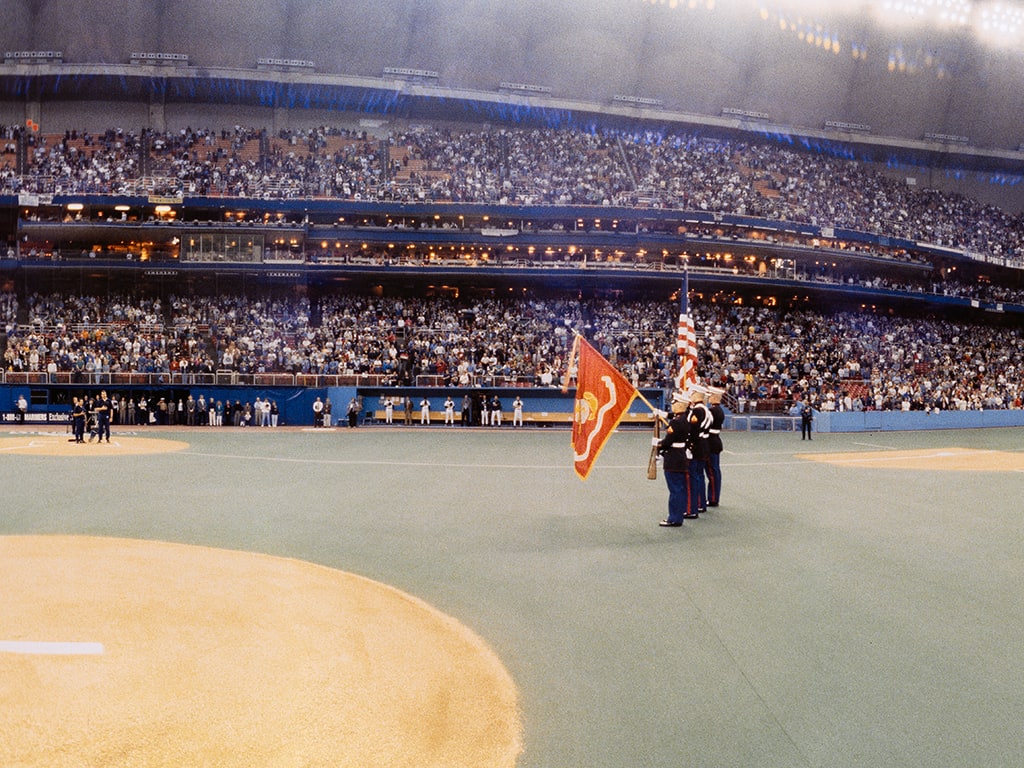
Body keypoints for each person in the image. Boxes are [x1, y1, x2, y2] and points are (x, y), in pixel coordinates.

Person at [657, 390, 695, 526]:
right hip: (681, 456)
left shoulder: (676, 422)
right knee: (680, 488)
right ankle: (679, 515)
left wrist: (658, 445)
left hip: (673, 458)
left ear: (679, 405)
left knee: (675, 490)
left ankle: (674, 518)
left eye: (674, 402)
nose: (672, 405)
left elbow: (668, 440)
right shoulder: (684, 419)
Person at [686, 385, 713, 516]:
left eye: (692, 393)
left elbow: (694, 431)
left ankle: (695, 505)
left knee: (694, 477)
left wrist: (689, 446)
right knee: (700, 476)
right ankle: (701, 503)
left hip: (697, 445)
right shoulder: (705, 410)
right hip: (704, 444)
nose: (690, 395)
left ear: (697, 395)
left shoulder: (697, 411)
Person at [706, 386, 726, 507]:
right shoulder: (718, 410)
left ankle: (713, 498)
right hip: (715, 441)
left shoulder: (712, 411)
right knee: (714, 471)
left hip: (710, 442)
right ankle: (714, 497)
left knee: (712, 472)